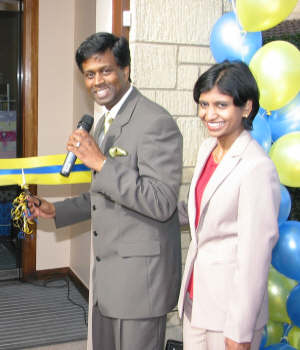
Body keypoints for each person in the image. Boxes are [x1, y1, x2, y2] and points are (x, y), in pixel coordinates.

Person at [28, 32, 183, 350]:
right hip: (109, 277)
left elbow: (162, 202)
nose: (97, 80)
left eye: (106, 70)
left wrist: (99, 161)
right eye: (89, 73)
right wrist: (57, 210)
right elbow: (104, 195)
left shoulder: (156, 122)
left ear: (125, 70)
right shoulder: (102, 123)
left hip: (141, 283)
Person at [177, 61, 280, 350]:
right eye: (204, 104)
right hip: (195, 301)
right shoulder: (208, 149)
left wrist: (240, 330)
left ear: (246, 108)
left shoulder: (257, 167)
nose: (209, 114)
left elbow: (254, 258)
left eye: (221, 105)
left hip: (229, 314)